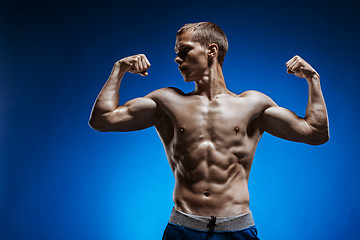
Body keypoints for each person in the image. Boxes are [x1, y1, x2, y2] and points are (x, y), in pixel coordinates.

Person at [89, 22, 329, 240]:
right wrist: (119, 69)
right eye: (176, 54)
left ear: (211, 51)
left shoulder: (252, 104)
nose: (177, 59)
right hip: (183, 228)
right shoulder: (167, 102)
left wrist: (313, 79)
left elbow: (315, 133)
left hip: (237, 229)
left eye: (184, 51)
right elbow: (102, 120)